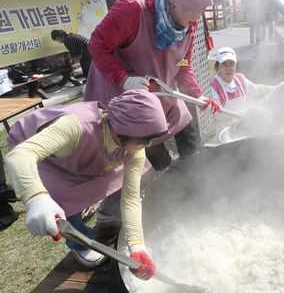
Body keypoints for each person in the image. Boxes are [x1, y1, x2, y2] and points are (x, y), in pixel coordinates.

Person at [5, 90, 167, 278]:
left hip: (81, 156)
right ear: (123, 130)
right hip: (44, 157)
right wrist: (35, 198)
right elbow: (20, 155)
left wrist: (137, 245)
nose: (147, 145)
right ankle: (80, 242)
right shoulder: (76, 125)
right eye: (144, 140)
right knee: (61, 198)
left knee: (105, 178)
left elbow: (130, 198)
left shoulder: (134, 147)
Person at [84, 0, 220, 173]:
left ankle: (198, 186)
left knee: (191, 141)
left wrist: (198, 95)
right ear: (173, 0)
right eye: (189, 9)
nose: (195, 17)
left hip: (164, 91)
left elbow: (183, 65)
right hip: (129, 96)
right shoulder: (132, 9)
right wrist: (124, 79)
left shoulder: (189, 24)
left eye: (200, 10)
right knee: (155, 157)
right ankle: (167, 190)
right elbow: (97, 45)